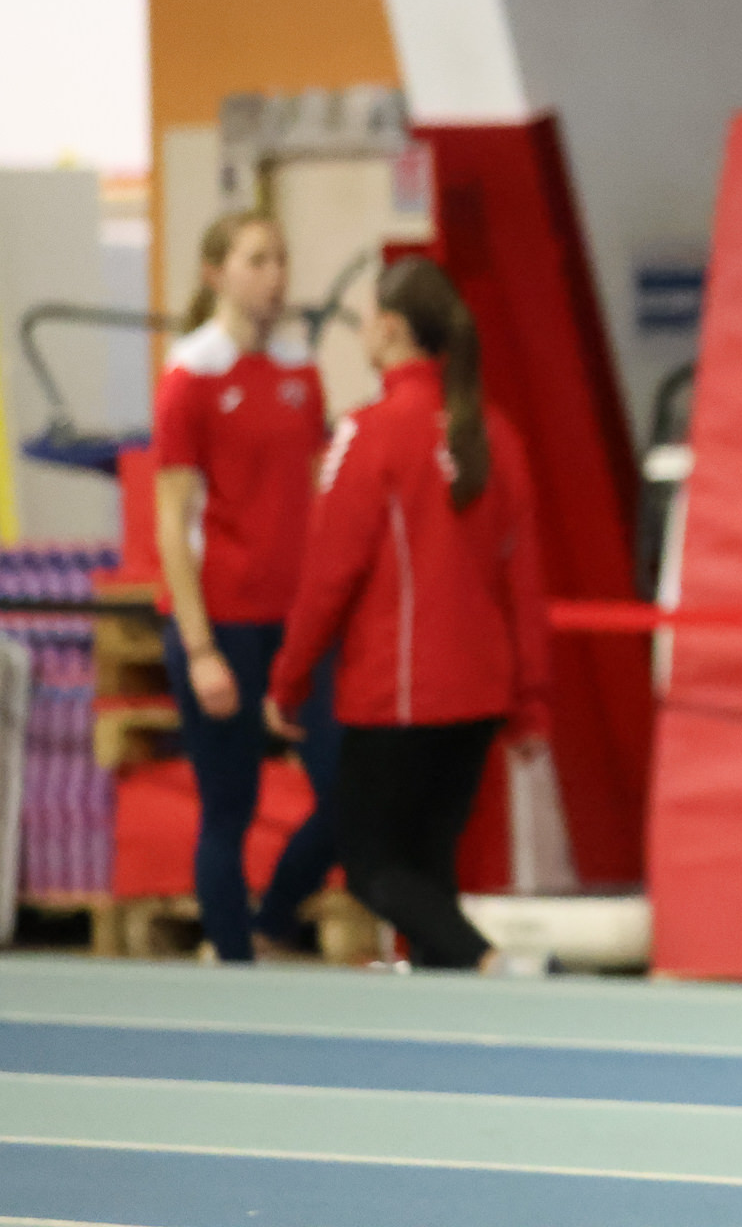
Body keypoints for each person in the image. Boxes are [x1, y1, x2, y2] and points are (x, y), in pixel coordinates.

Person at [267, 259, 550, 973]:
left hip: (398, 694)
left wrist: (289, 679)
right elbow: (523, 578)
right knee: (429, 868)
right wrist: (529, 701)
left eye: (368, 318)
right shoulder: (494, 434)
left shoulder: (370, 434)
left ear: (390, 330)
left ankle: (491, 963)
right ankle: (452, 1002)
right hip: (477, 694)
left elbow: (329, 576)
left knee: (372, 865)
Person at [150, 210, 339, 962]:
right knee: (230, 805)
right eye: (257, 260)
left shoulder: (301, 370)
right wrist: (200, 649)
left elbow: (318, 494)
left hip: (296, 623)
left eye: (281, 259)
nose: (275, 276)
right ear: (216, 273)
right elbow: (171, 521)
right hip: (223, 620)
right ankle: (232, 966)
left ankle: (274, 918)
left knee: (344, 791)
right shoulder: (190, 375)